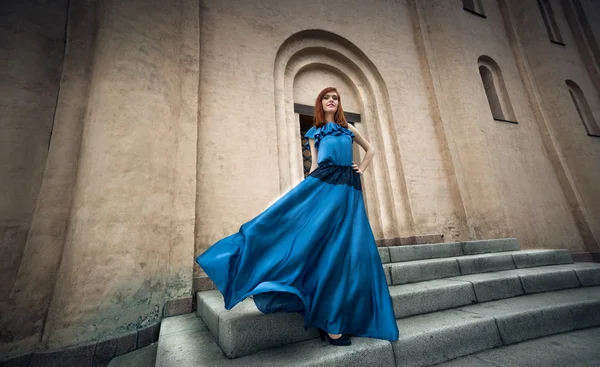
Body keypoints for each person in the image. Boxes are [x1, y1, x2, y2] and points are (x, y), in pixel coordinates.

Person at [196, 87, 399, 347]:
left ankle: (336, 320)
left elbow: (370, 150)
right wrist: (302, 196)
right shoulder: (314, 133)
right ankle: (331, 324)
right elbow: (314, 165)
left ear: (339, 104)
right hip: (323, 185)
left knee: (347, 252)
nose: (331, 101)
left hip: (349, 191)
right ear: (320, 103)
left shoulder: (348, 129)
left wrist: (362, 168)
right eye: (327, 97)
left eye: (335, 98)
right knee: (316, 243)